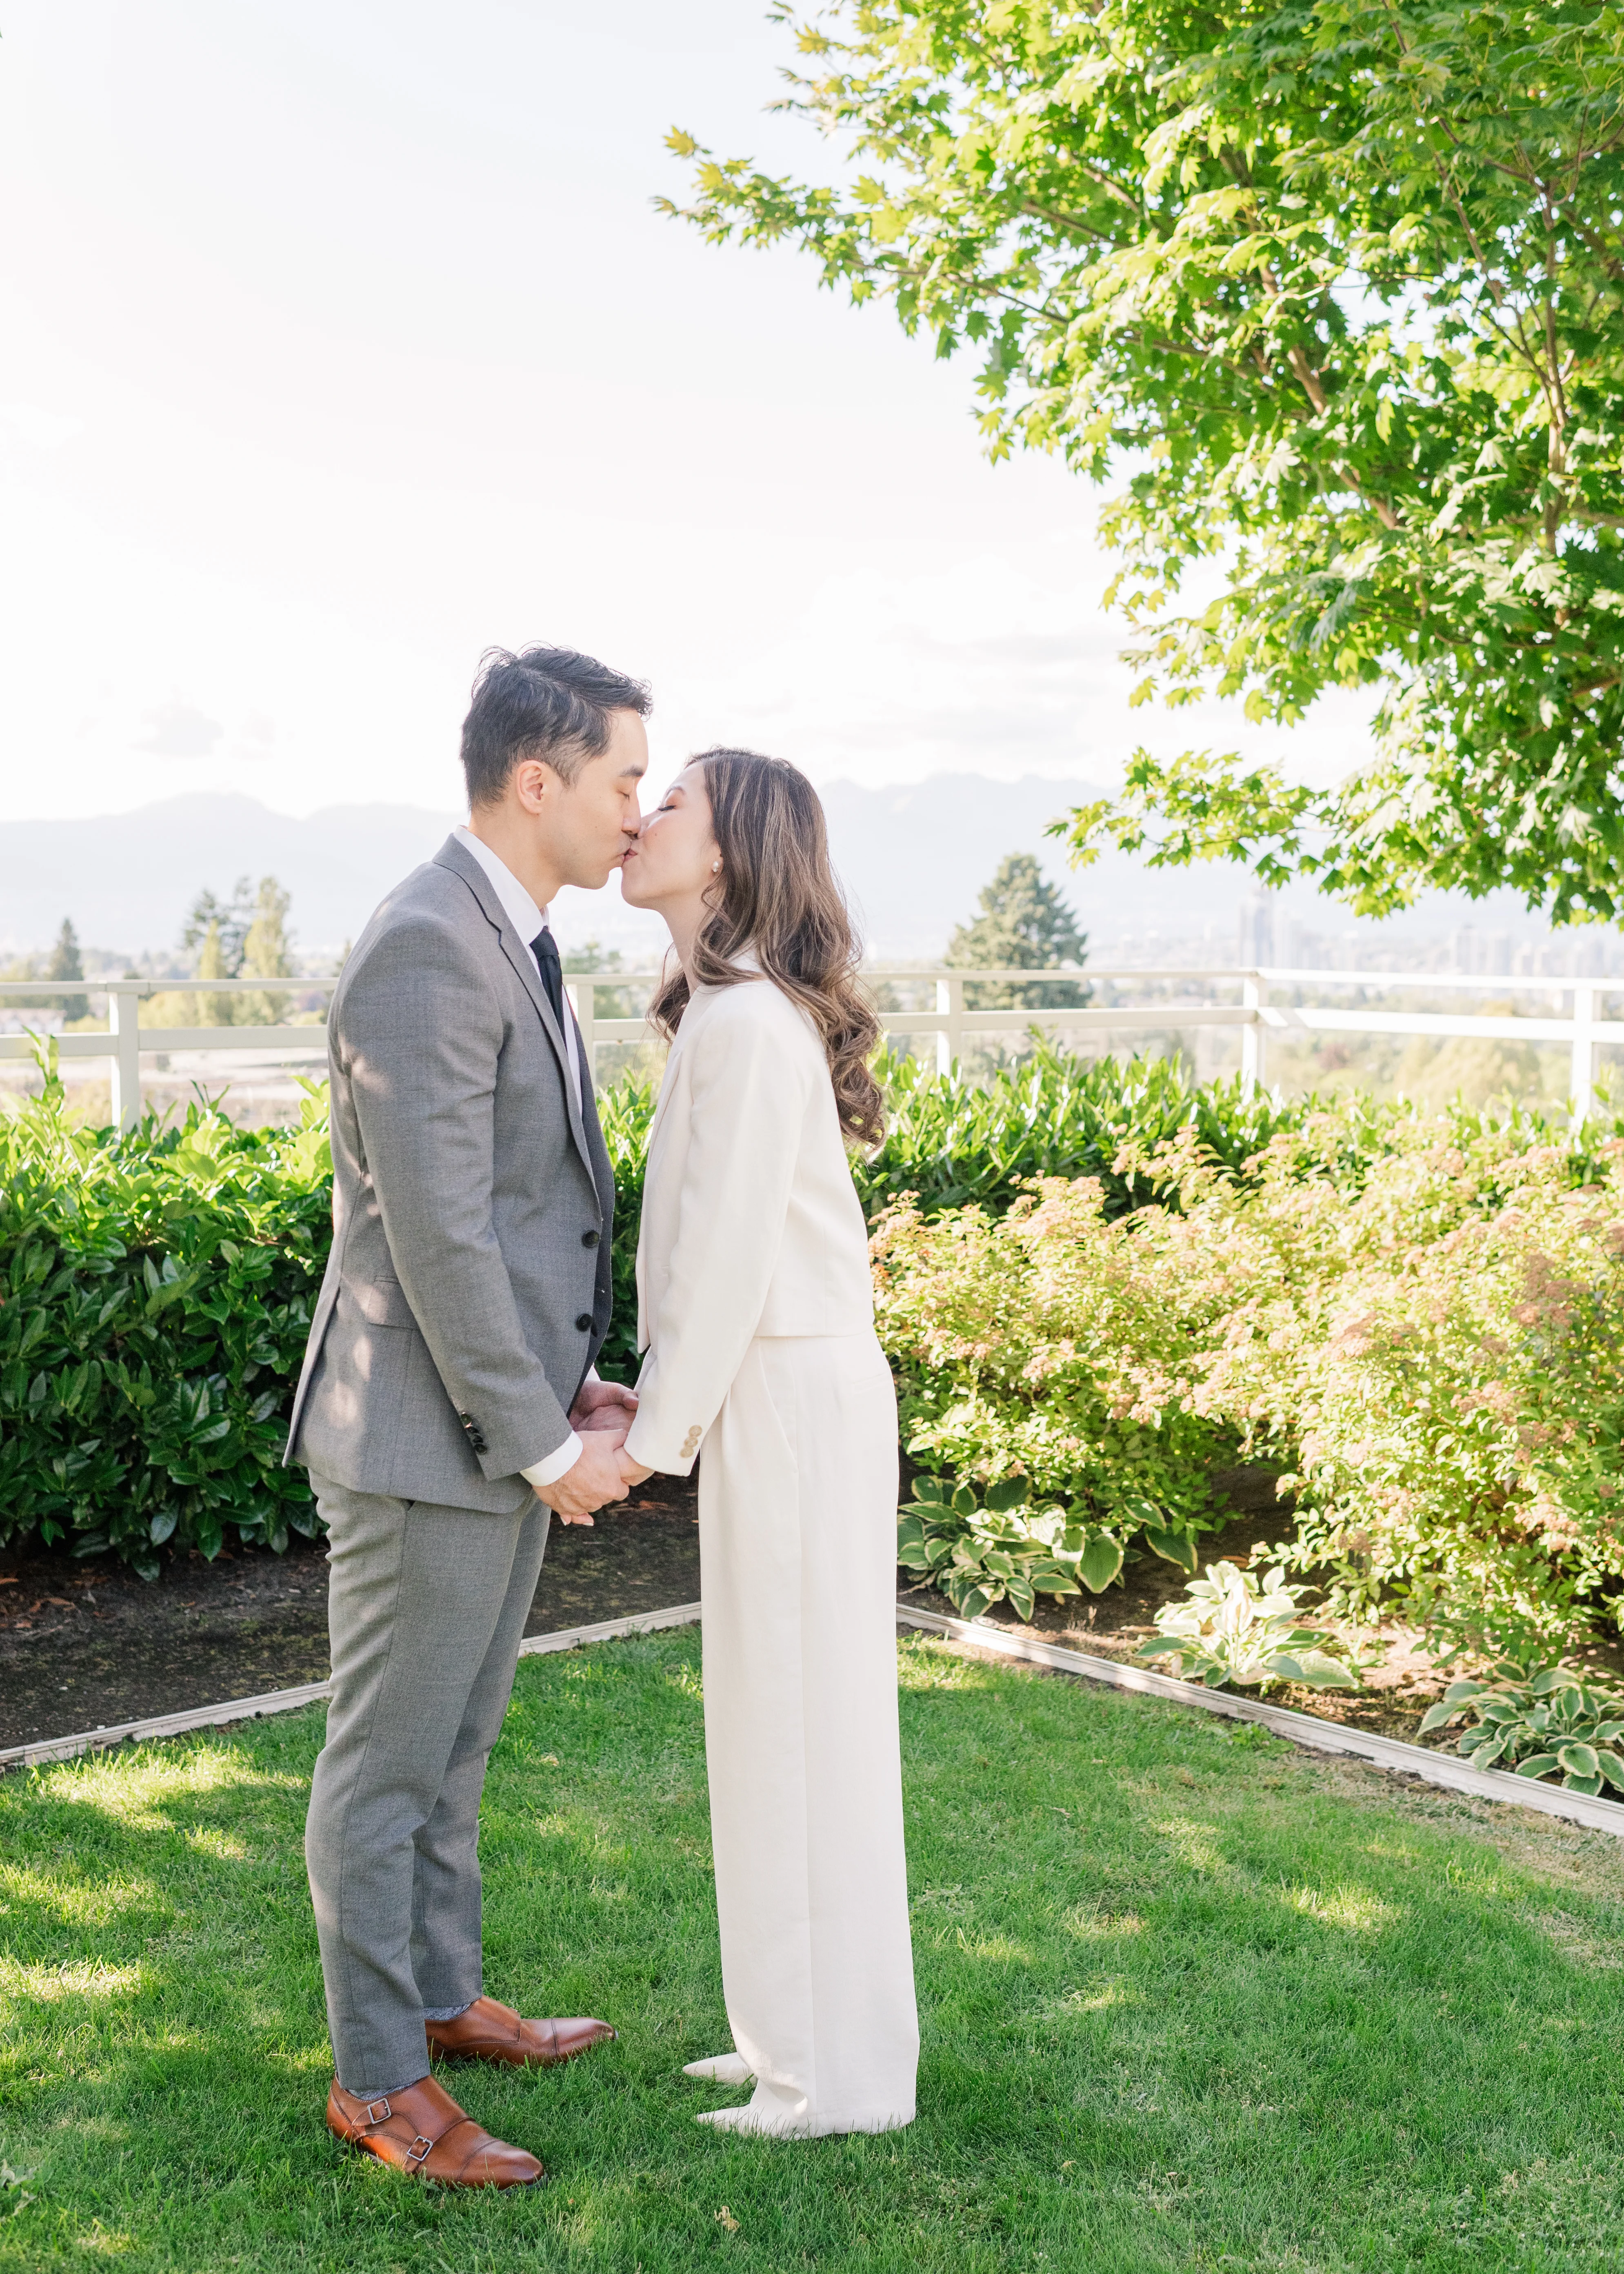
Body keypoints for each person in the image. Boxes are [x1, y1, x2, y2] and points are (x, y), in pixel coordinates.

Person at [284, 645, 648, 2188]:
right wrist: (554, 1448)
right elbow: (434, 1236)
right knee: (383, 1773)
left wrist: (565, 1385)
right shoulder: (431, 942)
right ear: (537, 781)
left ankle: (437, 2002)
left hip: (486, 1425)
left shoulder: (518, 936)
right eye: (626, 779)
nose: (642, 807)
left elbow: (506, 1218)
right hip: (422, 1445)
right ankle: (377, 2083)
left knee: (455, 1747)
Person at [615, 748, 919, 2138]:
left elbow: (730, 1264)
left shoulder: (744, 1028)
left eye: (665, 801)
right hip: (776, 1396)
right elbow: (702, 1267)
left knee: (802, 1734)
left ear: (729, 849)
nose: (637, 818)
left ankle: (832, 2081)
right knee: (770, 1724)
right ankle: (780, 2038)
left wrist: (649, 1439)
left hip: (788, 1404)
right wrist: (654, 1396)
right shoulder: (727, 1015)